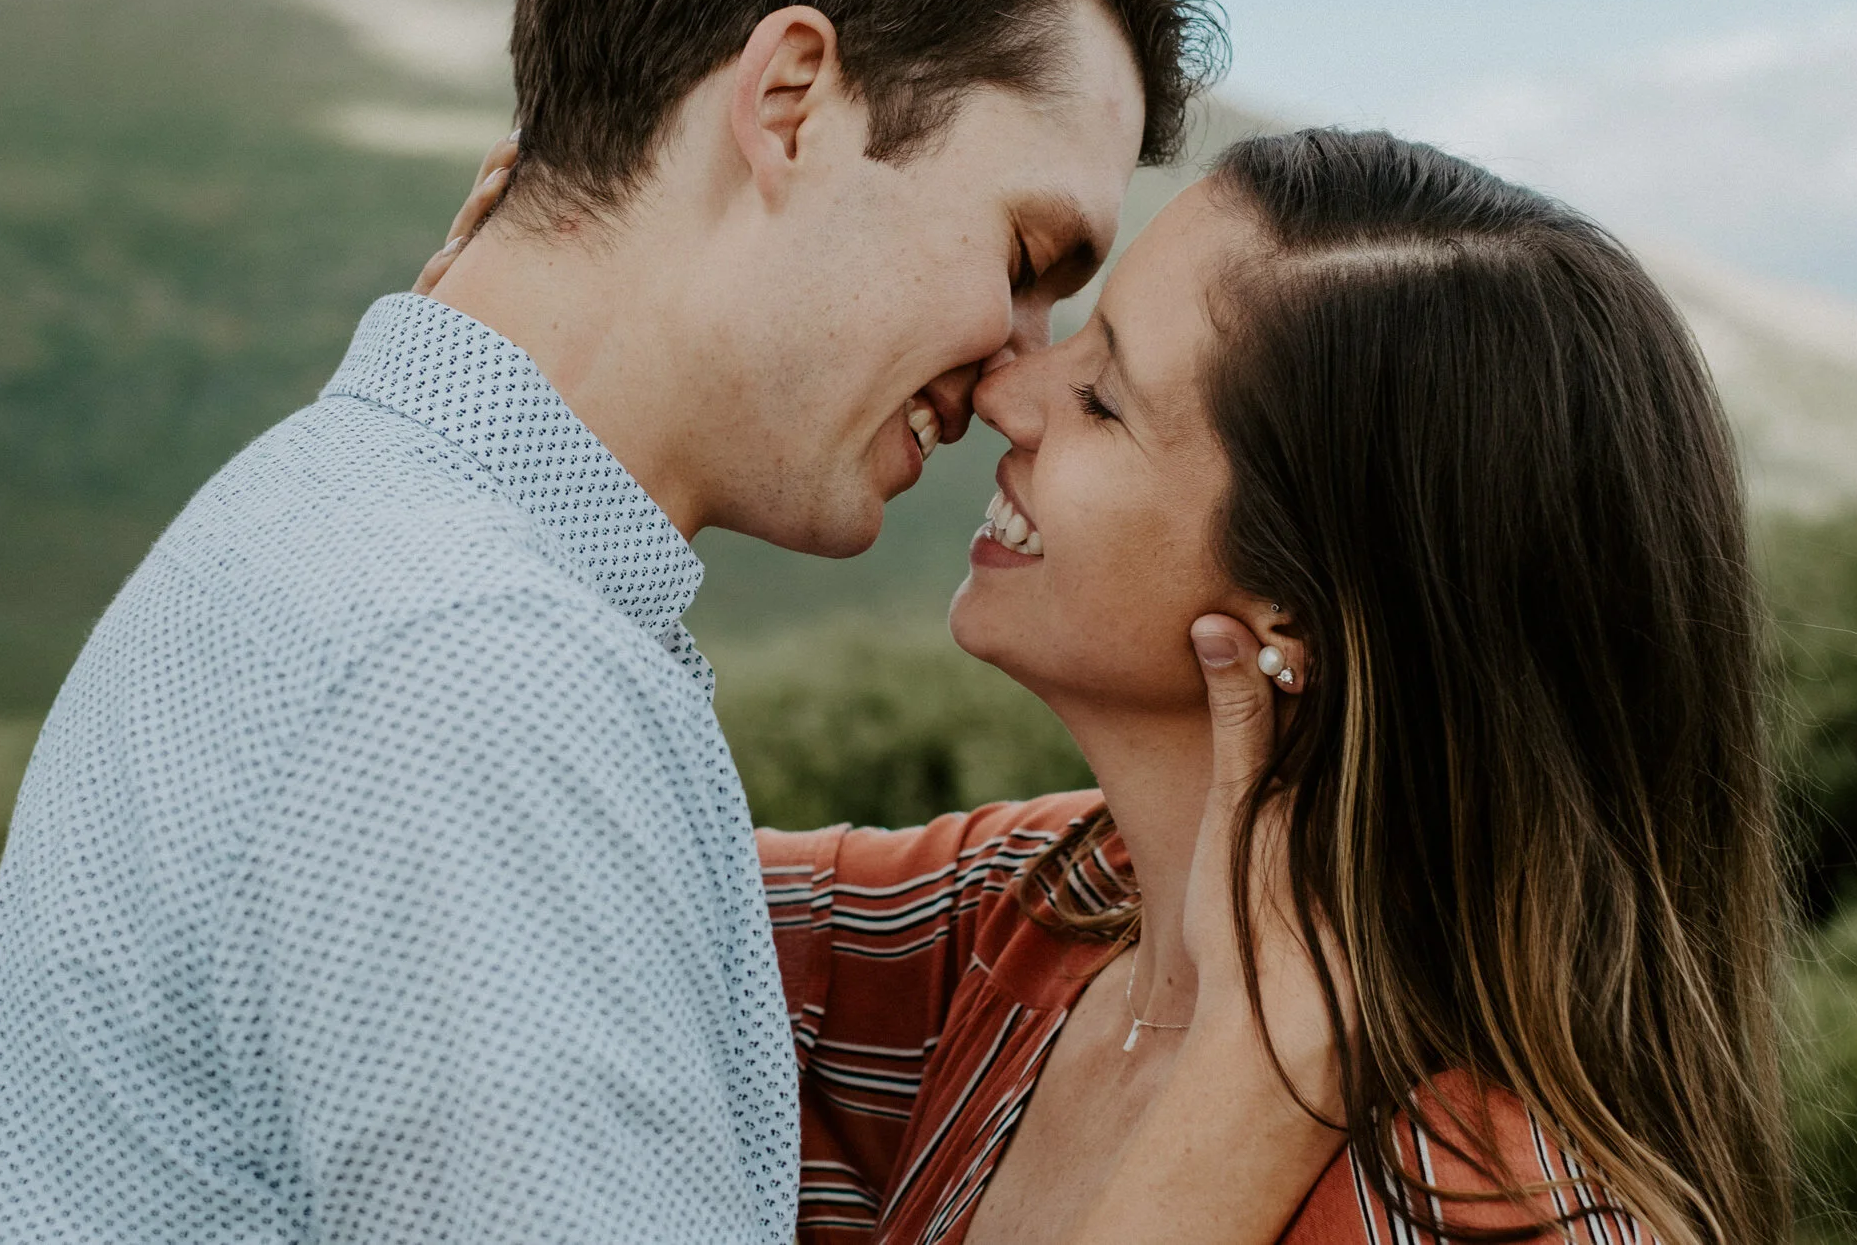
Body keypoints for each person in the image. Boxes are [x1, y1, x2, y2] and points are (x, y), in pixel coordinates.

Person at [0, 0, 1225, 1242]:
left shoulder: (332, 531)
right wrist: (1248, 1104)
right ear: (791, 101)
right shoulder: (478, 674)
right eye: (1021, 259)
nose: (1017, 370)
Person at [741, 130, 1792, 1245]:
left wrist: (1244, 1109)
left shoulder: (1500, 1218)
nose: (1003, 388)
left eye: (1103, 399)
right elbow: (622, 867)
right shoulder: (1040, 913)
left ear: (1298, 608)